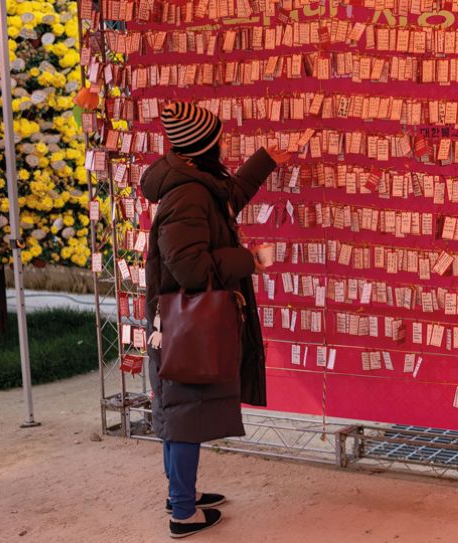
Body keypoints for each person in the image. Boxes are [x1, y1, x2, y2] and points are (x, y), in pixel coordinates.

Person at [141, 102, 291, 539]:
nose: (223, 146)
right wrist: (248, 260)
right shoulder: (187, 195)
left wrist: (265, 161)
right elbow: (189, 268)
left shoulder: (192, 182)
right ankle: (183, 513)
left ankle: (179, 495)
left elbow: (226, 200)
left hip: (181, 324)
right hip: (185, 325)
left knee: (180, 409)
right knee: (185, 412)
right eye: (218, 140)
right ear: (205, 147)